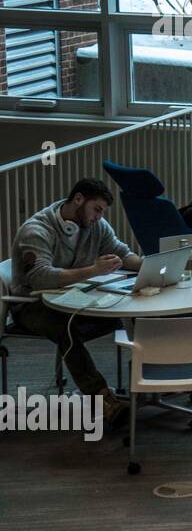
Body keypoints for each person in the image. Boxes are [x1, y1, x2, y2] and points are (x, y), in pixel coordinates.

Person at [9, 179, 143, 427]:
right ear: (79, 199)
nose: (98, 216)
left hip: (72, 298)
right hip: (30, 304)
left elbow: (122, 253)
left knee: (131, 311)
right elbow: (41, 278)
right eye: (97, 209)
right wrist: (93, 270)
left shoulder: (96, 225)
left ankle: (148, 381)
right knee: (66, 328)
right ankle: (103, 399)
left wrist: (149, 266)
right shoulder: (36, 229)